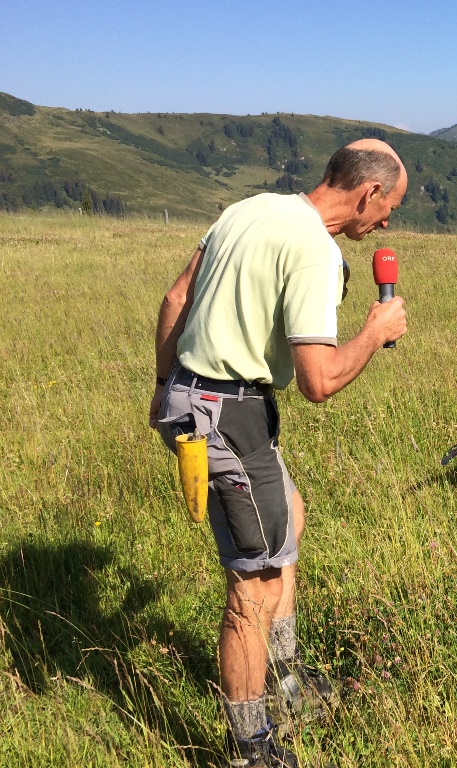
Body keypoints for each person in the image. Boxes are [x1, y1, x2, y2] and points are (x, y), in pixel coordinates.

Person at [149, 138, 408, 767]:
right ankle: (251, 745)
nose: (388, 222)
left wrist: (164, 389)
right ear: (367, 192)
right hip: (229, 415)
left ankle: (287, 684)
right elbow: (319, 382)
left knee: (289, 512)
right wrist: (374, 333)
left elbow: (176, 299)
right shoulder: (317, 252)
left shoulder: (247, 209)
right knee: (254, 583)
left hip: (198, 397)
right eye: (390, 207)